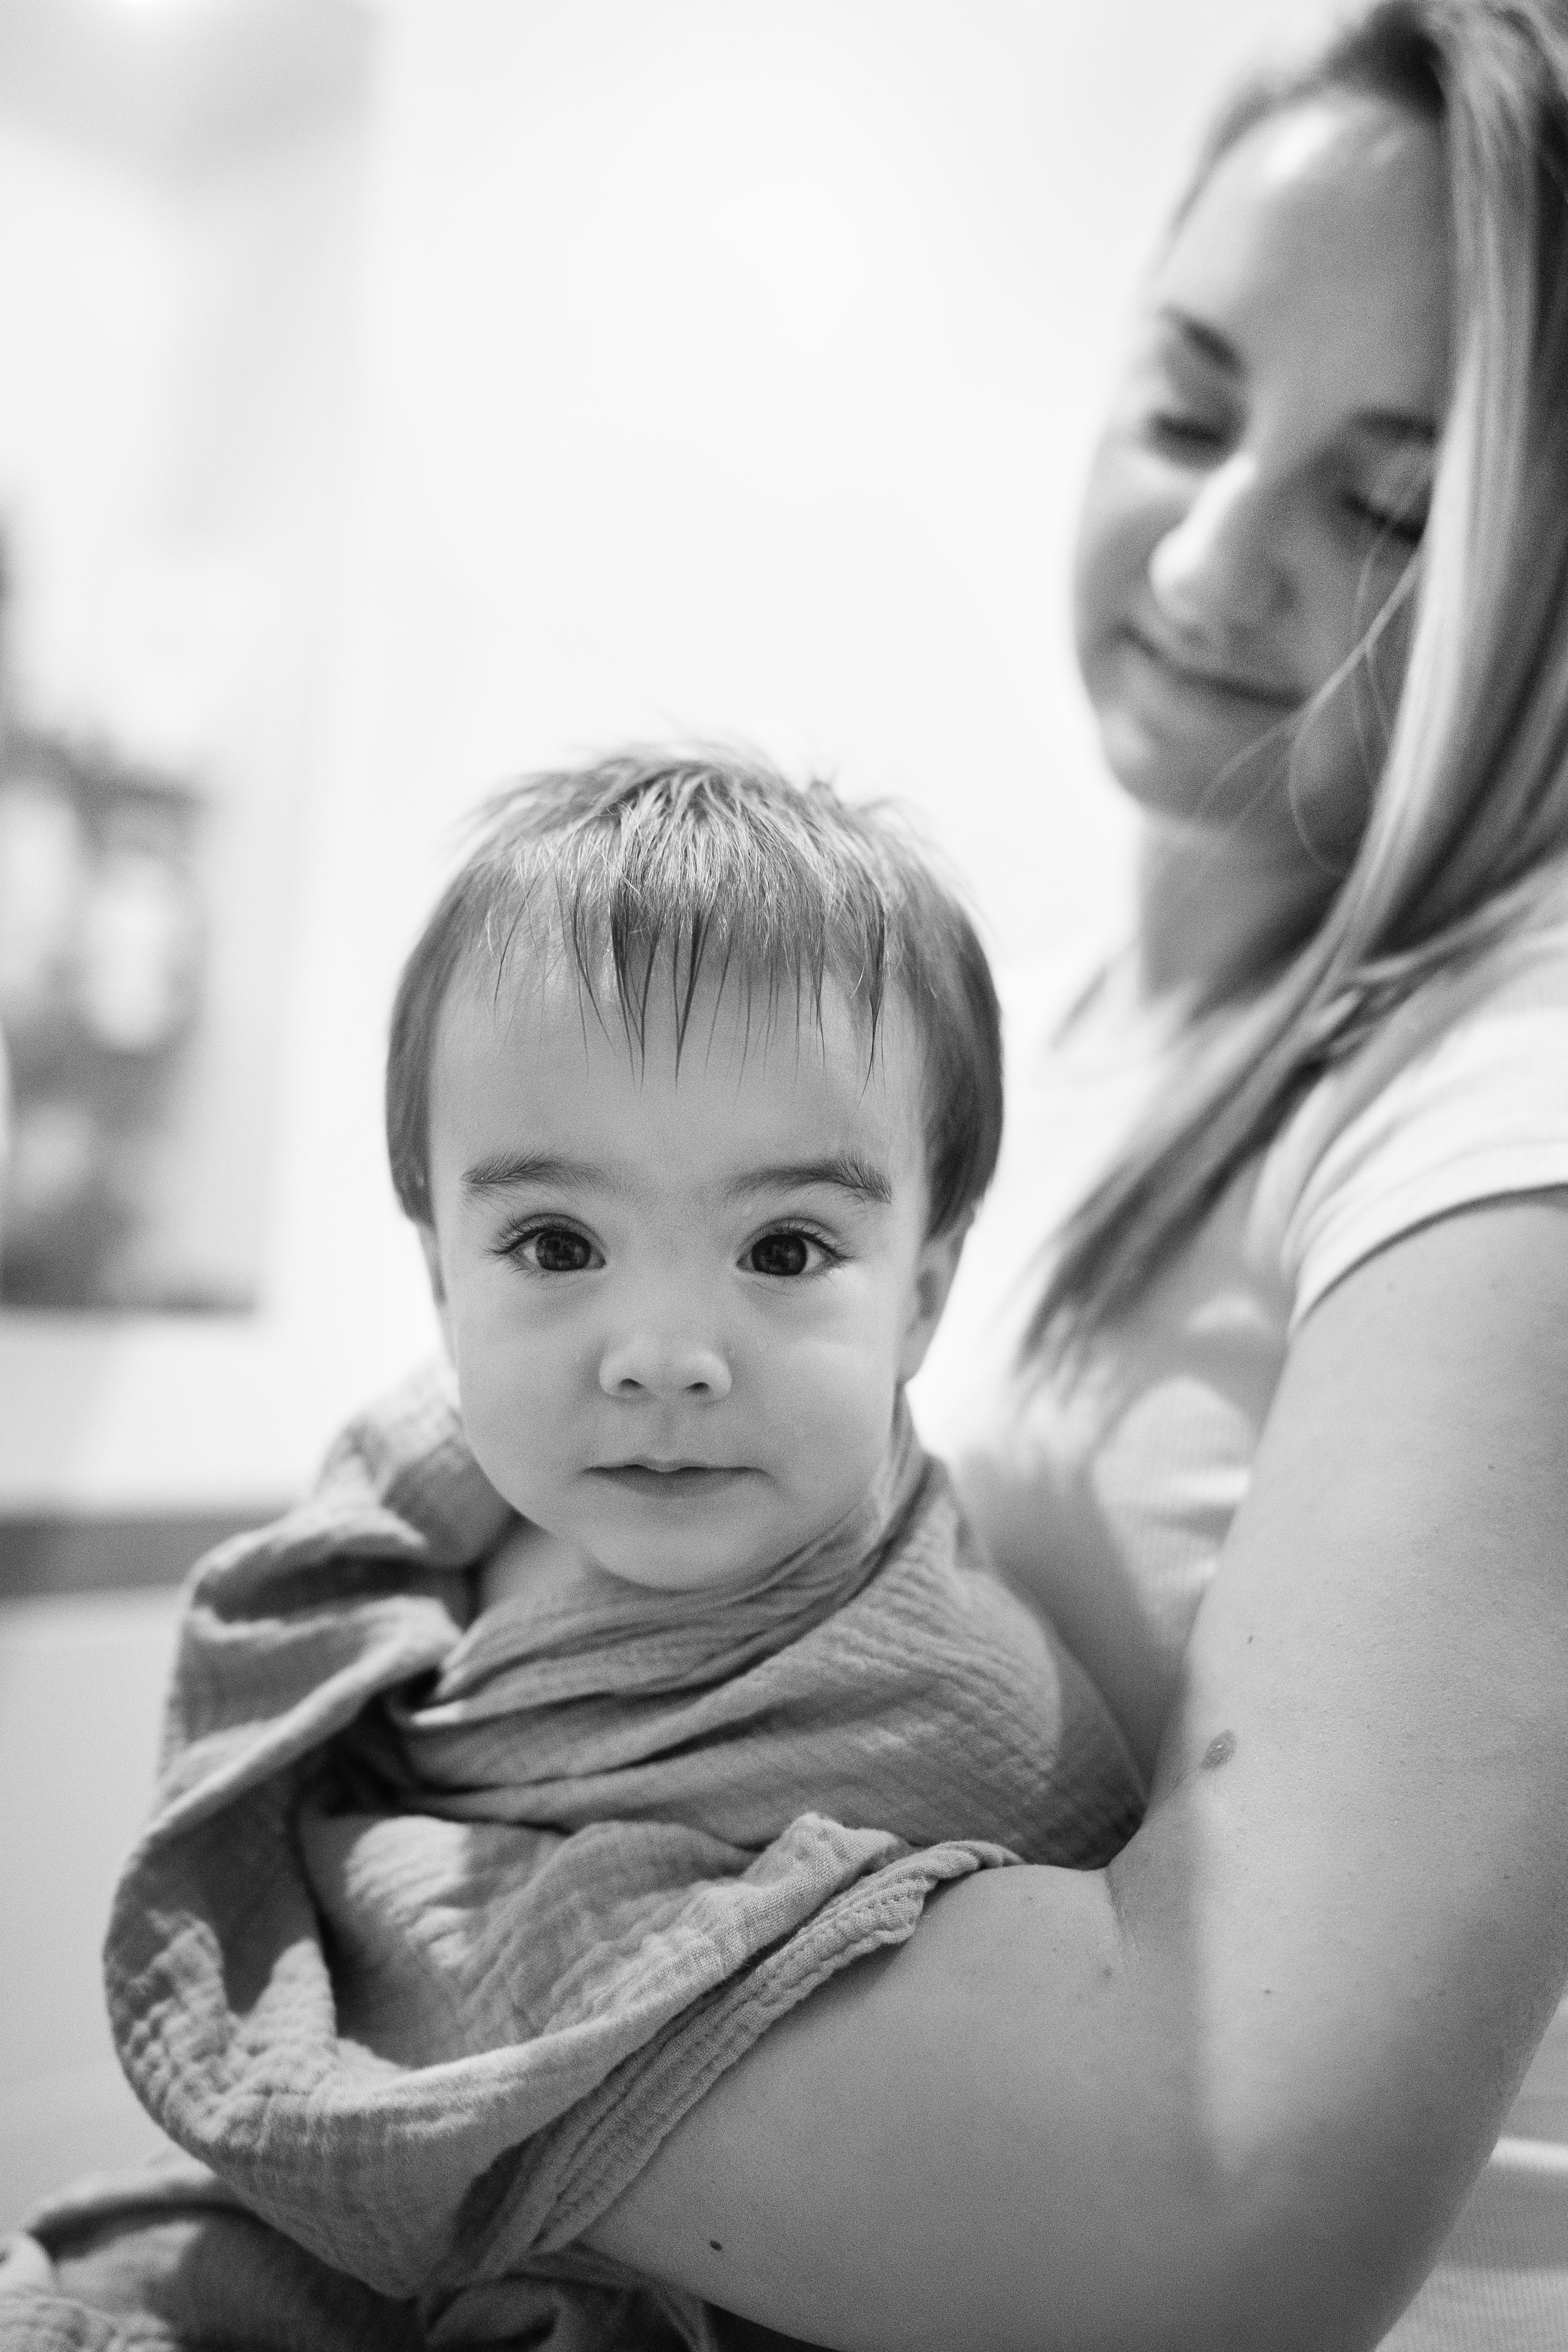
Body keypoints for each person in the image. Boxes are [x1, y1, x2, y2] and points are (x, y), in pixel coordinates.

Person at [571, 4, 1568, 2347]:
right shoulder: (1011, 1036)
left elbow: (1218, 2207)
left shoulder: (1510, 1088)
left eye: (1392, 501)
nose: (1216, 562)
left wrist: (391, 1943)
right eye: (1192, 407)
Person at [0, 753, 1141, 2352]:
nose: (663, 1351)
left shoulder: (957, 1696)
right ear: (442, 1275)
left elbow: (1050, 2131)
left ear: (926, 1294)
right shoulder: (419, 1525)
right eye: (556, 1245)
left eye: (785, 1249)